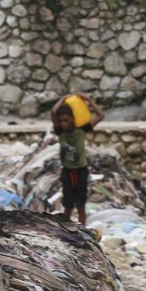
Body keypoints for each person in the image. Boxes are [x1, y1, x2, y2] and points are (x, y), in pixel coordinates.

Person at [50, 93, 104, 225]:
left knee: (81, 205)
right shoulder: (60, 132)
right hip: (67, 172)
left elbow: (101, 115)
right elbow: (53, 111)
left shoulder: (81, 130)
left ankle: (83, 232)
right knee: (68, 205)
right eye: (61, 121)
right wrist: (63, 98)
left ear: (73, 119)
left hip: (81, 171)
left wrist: (89, 99)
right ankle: (66, 230)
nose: (63, 124)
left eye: (66, 120)